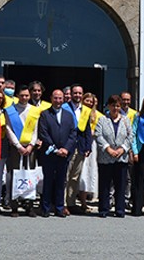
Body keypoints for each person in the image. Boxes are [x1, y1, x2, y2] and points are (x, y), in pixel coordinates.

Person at [37, 89, 77, 217]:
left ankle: (59, 208)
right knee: (48, 181)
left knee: (61, 181)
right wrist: (54, 148)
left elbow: (73, 133)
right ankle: (46, 208)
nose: (58, 101)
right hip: (49, 154)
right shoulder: (45, 114)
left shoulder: (69, 115)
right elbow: (43, 133)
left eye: (60, 98)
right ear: (51, 98)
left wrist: (66, 149)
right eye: (55, 98)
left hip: (64, 154)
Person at [4, 86, 42, 217]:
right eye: (22, 95)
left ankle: (29, 205)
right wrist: (18, 145)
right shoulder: (10, 111)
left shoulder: (34, 111)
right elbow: (8, 128)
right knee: (14, 175)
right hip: (16, 148)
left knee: (30, 176)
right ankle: (14, 205)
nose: (24, 98)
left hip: (30, 148)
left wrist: (31, 145)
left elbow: (36, 130)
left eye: (26, 95)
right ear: (17, 96)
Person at [96, 94, 132, 218]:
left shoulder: (126, 120)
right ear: (108, 106)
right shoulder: (102, 119)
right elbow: (98, 135)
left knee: (120, 185)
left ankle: (120, 209)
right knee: (105, 184)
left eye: (117, 106)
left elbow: (130, 136)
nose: (115, 108)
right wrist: (108, 148)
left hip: (121, 157)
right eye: (113, 106)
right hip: (106, 157)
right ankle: (104, 209)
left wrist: (123, 149)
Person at [64, 84, 88, 214]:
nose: (78, 95)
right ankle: (62, 204)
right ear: (71, 94)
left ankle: (71, 203)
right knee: (65, 176)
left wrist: (87, 146)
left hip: (80, 147)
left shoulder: (85, 110)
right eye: (75, 93)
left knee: (75, 177)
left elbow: (87, 130)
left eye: (80, 93)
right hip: (68, 147)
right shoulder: (64, 108)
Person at [77, 92, 101, 213]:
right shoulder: (79, 112)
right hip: (80, 143)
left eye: (92, 102)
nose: (90, 103)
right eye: (87, 101)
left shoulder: (99, 115)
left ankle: (85, 201)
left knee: (89, 173)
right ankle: (77, 199)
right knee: (81, 172)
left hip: (93, 145)